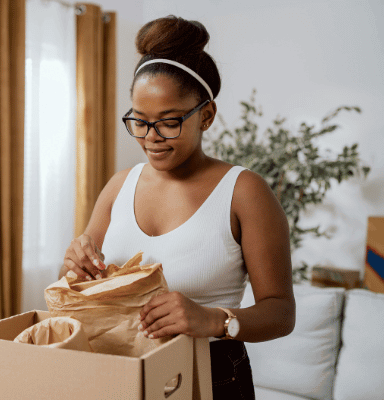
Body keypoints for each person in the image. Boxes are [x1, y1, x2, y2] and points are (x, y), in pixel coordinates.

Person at [59, 15, 295, 398]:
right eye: (139, 121)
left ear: (206, 115)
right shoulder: (120, 186)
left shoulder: (244, 192)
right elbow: (80, 289)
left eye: (169, 122)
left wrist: (213, 320)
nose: (151, 138)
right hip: (118, 369)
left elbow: (281, 312)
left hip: (211, 374)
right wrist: (76, 264)